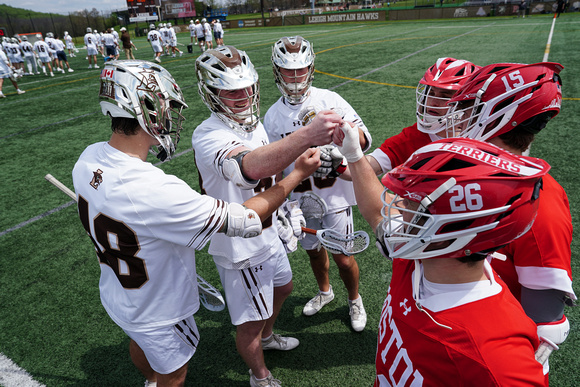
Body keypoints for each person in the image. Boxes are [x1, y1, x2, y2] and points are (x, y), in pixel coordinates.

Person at [72, 60, 321, 387]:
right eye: (168, 106)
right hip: (159, 305)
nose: (172, 115)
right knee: (174, 375)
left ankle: (150, 380)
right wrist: (298, 176)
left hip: (120, 292)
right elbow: (244, 219)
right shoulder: (155, 189)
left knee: (141, 343)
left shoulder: (89, 159)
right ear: (145, 108)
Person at [334, 125, 549, 384]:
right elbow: (379, 213)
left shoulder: (497, 360)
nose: (398, 205)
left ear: (449, 229)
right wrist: (355, 155)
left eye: (413, 202)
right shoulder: (420, 251)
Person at [192, 45, 342, 387]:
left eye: (247, 88)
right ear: (211, 93)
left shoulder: (252, 125)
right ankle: (259, 375)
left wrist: (286, 212)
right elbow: (249, 168)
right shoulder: (208, 135)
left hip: (267, 232)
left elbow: (267, 177)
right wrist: (307, 139)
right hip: (240, 245)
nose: (243, 97)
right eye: (231, 91)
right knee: (248, 324)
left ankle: (269, 335)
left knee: (284, 286)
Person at [444, 61, 576, 382]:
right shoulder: (466, 170)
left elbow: (543, 317)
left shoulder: (539, 201)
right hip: (456, 331)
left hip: (492, 354)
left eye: (470, 109)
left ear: (498, 116)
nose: (460, 118)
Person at [264, 36, 373, 332]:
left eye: (301, 69)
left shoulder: (329, 100)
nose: (296, 76)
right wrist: (280, 204)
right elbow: (271, 164)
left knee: (343, 257)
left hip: (335, 195)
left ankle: (354, 298)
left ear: (311, 68)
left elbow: (364, 138)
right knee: (313, 252)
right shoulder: (273, 116)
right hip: (300, 199)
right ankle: (325, 292)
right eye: (289, 70)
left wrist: (341, 148)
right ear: (277, 70)